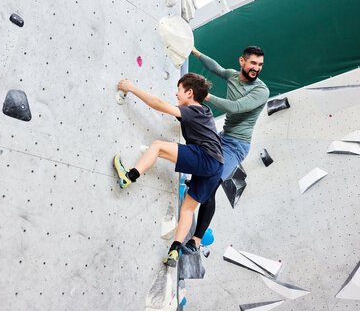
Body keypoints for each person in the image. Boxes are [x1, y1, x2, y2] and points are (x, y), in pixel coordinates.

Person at [113, 73, 224, 267]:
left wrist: (132, 88)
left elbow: (158, 104)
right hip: (216, 167)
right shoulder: (204, 111)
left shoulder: (194, 111)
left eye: (179, 91)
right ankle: (175, 250)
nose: (176, 94)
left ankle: (129, 176)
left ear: (189, 93)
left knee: (157, 146)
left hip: (205, 157)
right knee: (188, 208)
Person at [188, 46, 270, 250]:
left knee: (211, 186)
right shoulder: (233, 76)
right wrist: (195, 52)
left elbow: (235, 108)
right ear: (242, 61)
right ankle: (196, 183)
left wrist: (203, 95)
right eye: (253, 63)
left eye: (260, 65)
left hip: (237, 146)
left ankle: (196, 241)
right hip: (223, 137)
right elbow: (216, 67)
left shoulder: (261, 90)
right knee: (199, 162)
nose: (256, 68)